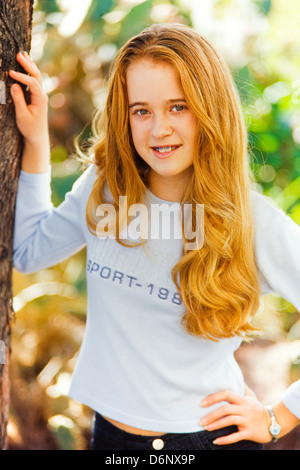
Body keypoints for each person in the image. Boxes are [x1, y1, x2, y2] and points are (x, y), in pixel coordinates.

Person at [9, 23, 300, 451]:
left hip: (210, 440)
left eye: (178, 107)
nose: (158, 129)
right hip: (111, 439)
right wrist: (34, 141)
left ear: (210, 109)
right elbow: (29, 251)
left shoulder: (254, 223)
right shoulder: (106, 189)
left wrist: (278, 418)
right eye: (141, 110)